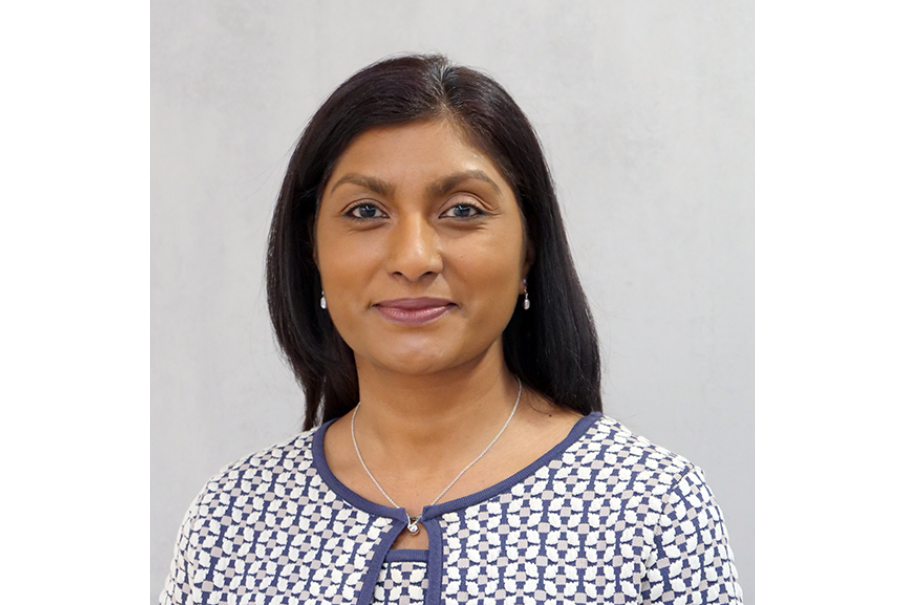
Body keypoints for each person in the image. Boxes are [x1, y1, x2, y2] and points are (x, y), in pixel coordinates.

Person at [160, 54, 743, 604]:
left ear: (528, 249)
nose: (414, 258)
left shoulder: (651, 507)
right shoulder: (231, 522)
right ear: (311, 250)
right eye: (365, 211)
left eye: (462, 210)